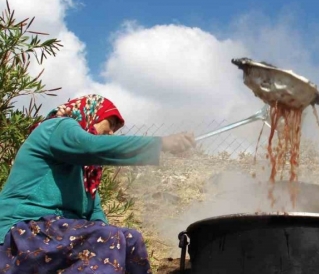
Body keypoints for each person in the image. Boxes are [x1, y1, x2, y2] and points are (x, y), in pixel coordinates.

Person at [0, 94, 195, 273]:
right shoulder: (58, 127)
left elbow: (97, 218)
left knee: (130, 240)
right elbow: (90, 146)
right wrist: (159, 144)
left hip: (53, 237)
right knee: (110, 238)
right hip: (20, 233)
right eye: (109, 124)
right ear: (92, 114)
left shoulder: (86, 175)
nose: (111, 133)